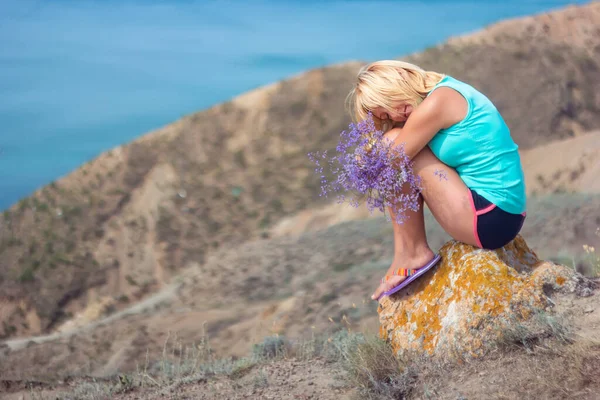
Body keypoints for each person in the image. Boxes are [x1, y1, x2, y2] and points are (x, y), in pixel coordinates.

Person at [344, 60, 527, 301]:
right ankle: (407, 253)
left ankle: (412, 253)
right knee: (394, 144)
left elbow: (389, 163)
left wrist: (365, 156)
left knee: (392, 144)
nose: (396, 114)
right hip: (503, 214)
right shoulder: (448, 90)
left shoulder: (440, 101)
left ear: (398, 79)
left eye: (389, 104)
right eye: (386, 115)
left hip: (491, 217)